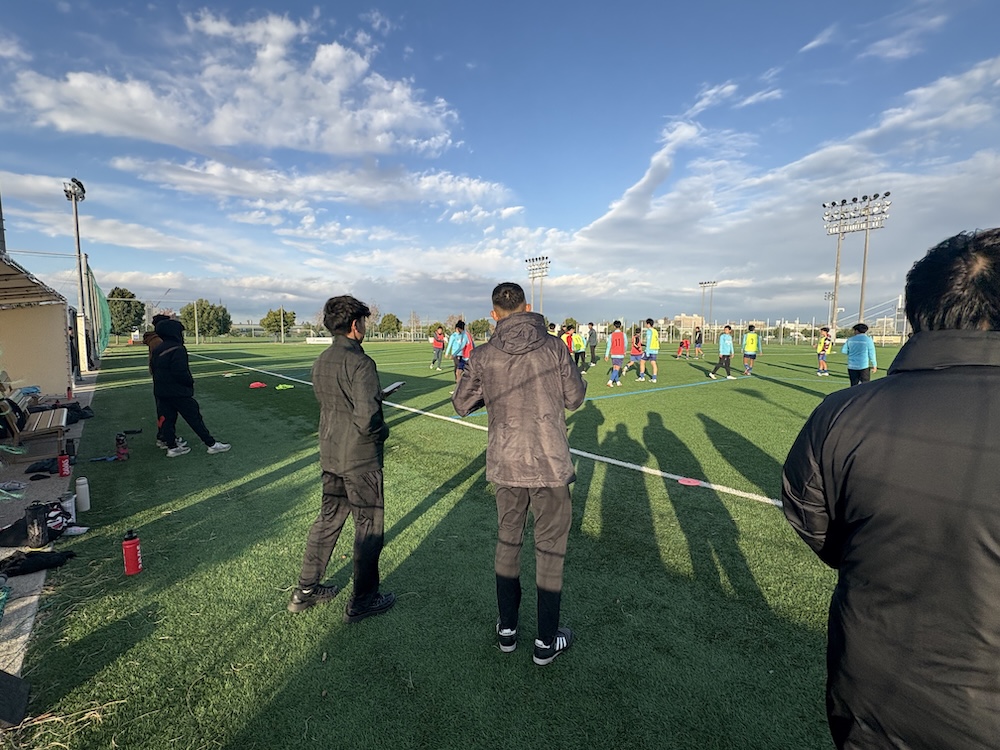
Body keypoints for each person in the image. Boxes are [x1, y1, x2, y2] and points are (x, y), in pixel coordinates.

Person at [781, 228, 1000, 750]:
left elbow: (810, 517)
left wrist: (870, 551)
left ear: (914, 311)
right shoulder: (842, 410)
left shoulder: (841, 414)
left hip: (873, 694)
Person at [453, 282, 586, 666]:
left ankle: (508, 629)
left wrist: (489, 388)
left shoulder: (484, 354)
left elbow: (461, 403)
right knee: (550, 551)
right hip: (549, 464)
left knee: (508, 543)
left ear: (494, 314)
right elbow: (575, 398)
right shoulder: (554, 347)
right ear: (527, 308)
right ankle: (545, 640)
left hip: (508, 464)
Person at [288, 295, 396, 623]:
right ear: (354, 325)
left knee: (328, 519)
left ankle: (305, 589)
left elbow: (340, 403)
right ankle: (364, 600)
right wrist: (383, 431)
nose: (365, 327)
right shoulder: (361, 362)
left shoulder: (322, 359)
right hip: (360, 460)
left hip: (332, 453)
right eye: (363, 321)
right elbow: (367, 420)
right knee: (368, 527)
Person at [150, 319, 230, 458]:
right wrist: (189, 382)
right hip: (178, 391)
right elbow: (181, 372)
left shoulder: (158, 348)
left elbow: (154, 368)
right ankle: (211, 444)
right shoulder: (177, 349)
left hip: (161, 390)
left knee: (167, 419)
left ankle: (172, 447)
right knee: (194, 418)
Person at [143, 314, 186, 450]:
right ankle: (165, 438)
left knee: (166, 411)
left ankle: (167, 437)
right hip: (165, 381)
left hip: (161, 380)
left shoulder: (156, 340)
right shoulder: (158, 341)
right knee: (166, 412)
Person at [445, 320, 472, 386]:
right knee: (458, 372)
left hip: (467, 356)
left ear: (459, 328)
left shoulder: (465, 335)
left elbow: (462, 346)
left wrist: (454, 354)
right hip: (466, 356)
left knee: (460, 372)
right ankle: (459, 388)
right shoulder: (466, 334)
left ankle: (461, 388)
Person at [603, 320, 626, 387]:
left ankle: (617, 381)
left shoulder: (611, 335)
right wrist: (624, 351)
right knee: (617, 368)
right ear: (620, 326)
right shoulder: (623, 335)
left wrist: (606, 355)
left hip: (613, 354)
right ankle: (610, 381)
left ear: (614, 326)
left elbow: (608, 346)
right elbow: (625, 344)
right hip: (620, 353)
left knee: (615, 368)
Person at [637, 318, 659, 383]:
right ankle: (654, 378)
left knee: (642, 361)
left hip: (650, 349)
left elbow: (649, 341)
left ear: (649, 324)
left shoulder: (649, 331)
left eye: (646, 324)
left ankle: (642, 377)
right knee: (653, 363)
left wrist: (647, 351)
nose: (646, 325)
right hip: (655, 349)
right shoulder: (655, 331)